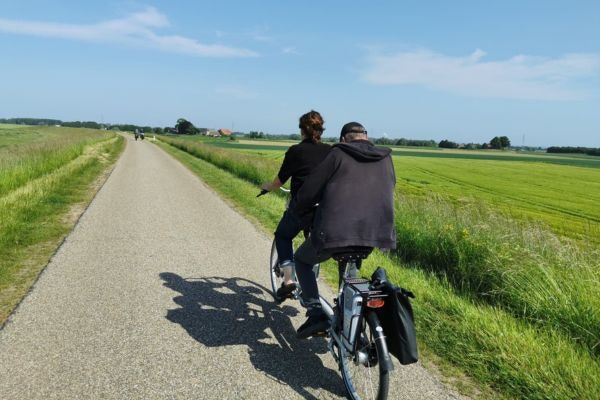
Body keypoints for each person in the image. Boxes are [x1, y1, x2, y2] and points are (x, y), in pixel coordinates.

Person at [292, 122, 397, 338]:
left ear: (343, 139)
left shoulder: (338, 154)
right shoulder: (385, 157)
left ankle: (315, 314)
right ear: (366, 137)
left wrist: (299, 209)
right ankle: (348, 319)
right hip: (374, 233)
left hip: (334, 232)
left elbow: (311, 190)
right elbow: (389, 186)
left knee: (302, 260)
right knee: (350, 271)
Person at [261, 110, 331, 301]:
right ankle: (309, 279)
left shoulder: (296, 151)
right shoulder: (331, 151)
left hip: (301, 208)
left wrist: (266, 186)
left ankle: (289, 281)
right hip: (323, 210)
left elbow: (279, 182)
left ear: (302, 129)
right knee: (312, 244)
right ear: (320, 129)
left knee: (283, 236)